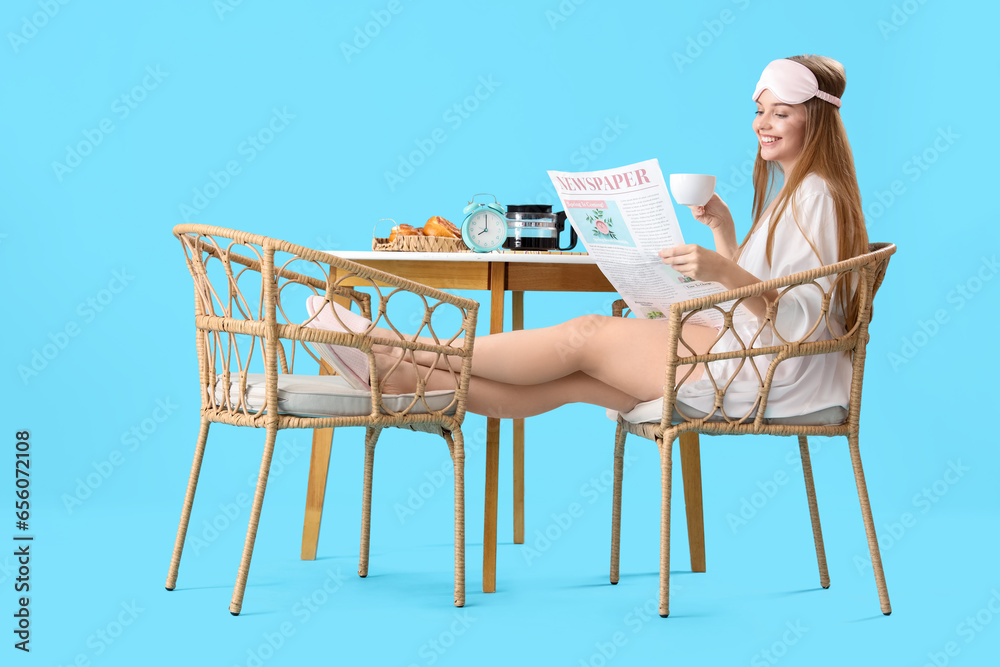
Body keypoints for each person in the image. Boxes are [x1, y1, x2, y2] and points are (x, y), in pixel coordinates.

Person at [311, 55, 868, 421]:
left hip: (770, 367)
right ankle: (396, 374)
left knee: (587, 334)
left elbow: (799, 319)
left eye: (782, 113)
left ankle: (396, 347)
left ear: (813, 121)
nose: (763, 124)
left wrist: (722, 270)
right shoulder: (796, 192)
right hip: (749, 350)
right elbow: (766, 295)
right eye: (759, 111)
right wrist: (724, 231)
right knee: (572, 381)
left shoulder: (815, 195)